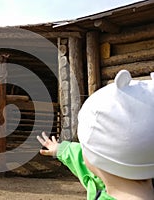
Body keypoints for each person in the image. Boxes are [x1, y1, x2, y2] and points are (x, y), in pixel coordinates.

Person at [37, 70, 154, 200]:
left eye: (85, 147)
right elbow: (85, 158)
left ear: (96, 161)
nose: (82, 150)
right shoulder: (112, 172)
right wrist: (61, 150)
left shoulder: (103, 174)